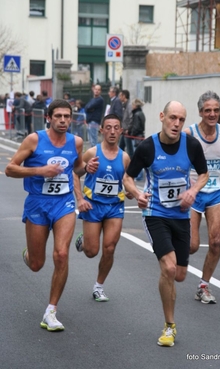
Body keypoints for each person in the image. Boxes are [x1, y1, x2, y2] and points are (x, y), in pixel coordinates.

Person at [123, 101, 209, 347]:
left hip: (181, 215)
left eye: (181, 119)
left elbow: (203, 174)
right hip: (155, 213)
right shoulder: (148, 147)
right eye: (172, 118)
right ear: (162, 117)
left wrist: (193, 190)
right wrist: (138, 194)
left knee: (180, 275)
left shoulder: (191, 145)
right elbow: (128, 177)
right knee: (169, 269)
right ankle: (169, 326)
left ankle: (169, 304)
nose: (177, 124)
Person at [5, 99, 89, 331]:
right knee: (36, 264)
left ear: (71, 119)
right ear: (48, 118)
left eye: (67, 116)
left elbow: (77, 168)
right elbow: (10, 169)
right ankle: (31, 254)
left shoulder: (76, 142)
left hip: (64, 203)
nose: (63, 120)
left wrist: (87, 169)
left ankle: (51, 311)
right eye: (58, 116)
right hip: (37, 204)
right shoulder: (34, 140)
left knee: (61, 254)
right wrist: (39, 170)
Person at [184, 90, 220, 304]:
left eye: (216, 110)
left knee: (216, 242)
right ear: (200, 112)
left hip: (216, 192)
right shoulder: (190, 134)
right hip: (194, 191)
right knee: (192, 246)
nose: (212, 114)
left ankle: (203, 286)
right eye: (207, 110)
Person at [74, 114, 132, 302]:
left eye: (116, 127)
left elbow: (128, 182)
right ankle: (84, 241)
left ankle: (99, 286)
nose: (112, 131)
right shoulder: (92, 152)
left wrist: (132, 192)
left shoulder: (125, 157)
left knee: (109, 248)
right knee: (92, 252)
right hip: (93, 205)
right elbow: (75, 173)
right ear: (101, 130)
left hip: (115, 207)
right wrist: (80, 198)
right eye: (108, 127)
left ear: (121, 131)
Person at [128, 98, 146, 181]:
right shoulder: (141, 113)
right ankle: (140, 175)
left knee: (136, 156)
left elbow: (136, 126)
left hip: (136, 137)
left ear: (135, 105)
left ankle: (138, 176)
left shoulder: (136, 114)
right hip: (140, 136)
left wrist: (132, 133)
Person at [119, 89, 134, 158]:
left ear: (124, 96)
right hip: (124, 131)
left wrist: (128, 129)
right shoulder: (124, 105)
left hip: (127, 131)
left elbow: (131, 117)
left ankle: (131, 165)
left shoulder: (129, 105)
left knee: (129, 150)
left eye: (120, 96)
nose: (119, 97)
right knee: (120, 148)